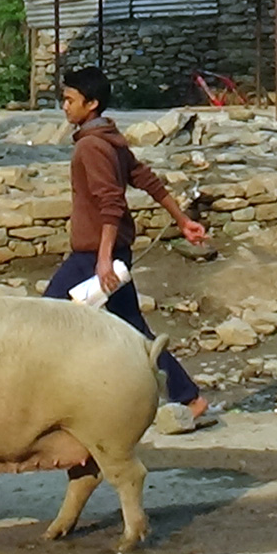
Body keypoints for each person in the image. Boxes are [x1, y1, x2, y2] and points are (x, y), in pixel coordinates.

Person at [43, 66, 210, 419]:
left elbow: (112, 204)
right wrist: (183, 221)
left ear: (91, 103)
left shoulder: (92, 146)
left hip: (93, 255)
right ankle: (188, 398)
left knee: (46, 318)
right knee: (132, 328)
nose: (64, 107)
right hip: (106, 251)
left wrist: (103, 260)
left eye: (70, 100)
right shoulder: (109, 139)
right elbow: (145, 179)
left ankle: (58, 404)